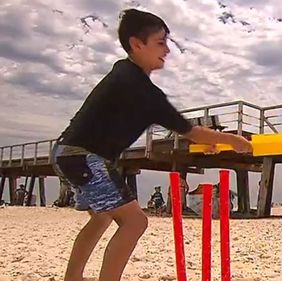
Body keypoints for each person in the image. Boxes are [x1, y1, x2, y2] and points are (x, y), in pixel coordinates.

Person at [50, 9, 252, 281]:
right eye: (160, 42)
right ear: (136, 44)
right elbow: (191, 131)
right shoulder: (139, 88)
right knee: (135, 222)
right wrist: (233, 140)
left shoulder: (124, 74)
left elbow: (187, 131)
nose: (167, 50)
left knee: (101, 218)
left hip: (66, 153)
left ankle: (72, 278)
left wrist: (205, 140)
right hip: (85, 158)